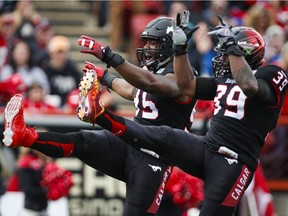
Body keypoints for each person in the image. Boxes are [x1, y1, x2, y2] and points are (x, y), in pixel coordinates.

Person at [69, 13, 287, 215]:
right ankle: (100, 115)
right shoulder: (224, 79)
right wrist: (180, 50)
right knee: (162, 135)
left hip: (234, 161)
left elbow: (249, 86)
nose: (221, 59)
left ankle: (100, 116)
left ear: (244, 53)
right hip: (208, 147)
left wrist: (233, 49)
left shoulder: (272, 73)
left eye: (227, 54)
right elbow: (186, 86)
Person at [2, 16, 198, 216]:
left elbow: (153, 84)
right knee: (80, 141)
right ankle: (24, 136)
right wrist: (107, 77)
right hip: (130, 144)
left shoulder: (184, 77)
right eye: (146, 42)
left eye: (153, 43)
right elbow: (132, 90)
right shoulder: (151, 71)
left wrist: (110, 57)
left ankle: (98, 113)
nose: (147, 47)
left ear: (168, 45)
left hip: (155, 158)